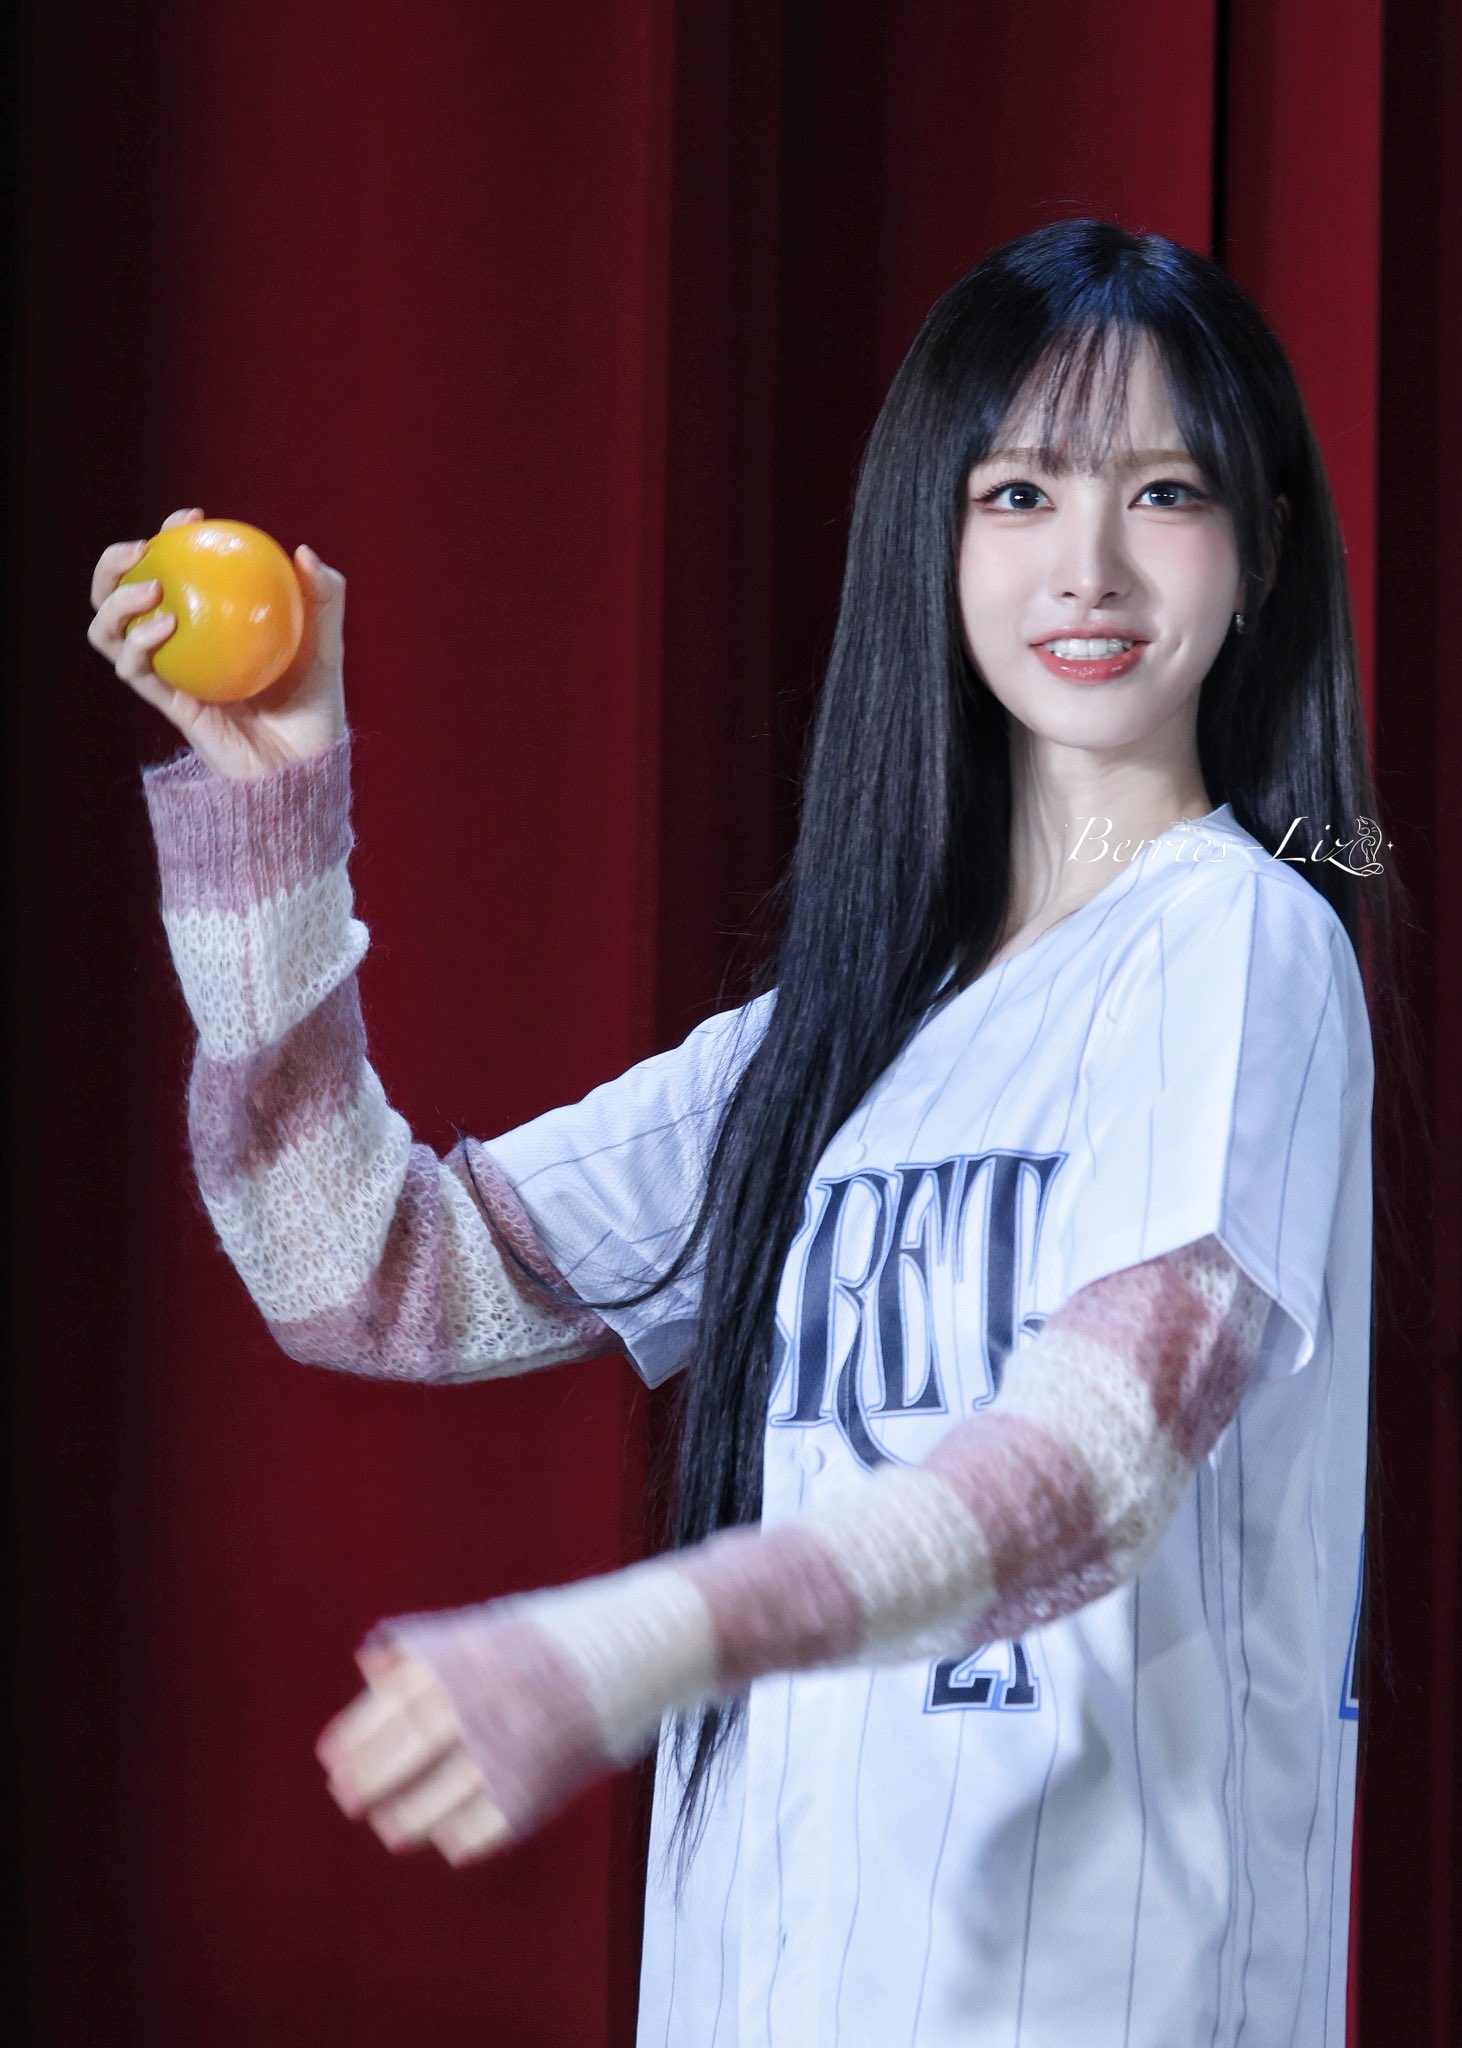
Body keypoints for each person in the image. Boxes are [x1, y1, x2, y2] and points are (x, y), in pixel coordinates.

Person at [90, 218, 1390, 2047]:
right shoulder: (833, 1032)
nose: (1086, 564)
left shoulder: (1243, 942)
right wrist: (275, 814)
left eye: (1162, 492)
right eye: (1016, 493)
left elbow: (1095, 1463)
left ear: (1257, 551)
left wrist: (634, 1641)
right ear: (933, 542)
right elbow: (357, 1268)